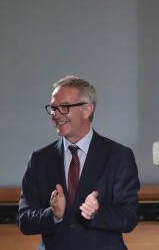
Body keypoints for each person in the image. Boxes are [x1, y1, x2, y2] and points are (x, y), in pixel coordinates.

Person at [17, 76, 140, 250]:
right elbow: (24, 220)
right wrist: (52, 215)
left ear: (87, 110)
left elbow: (129, 217)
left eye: (64, 107)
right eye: (53, 108)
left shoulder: (118, 156)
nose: (56, 115)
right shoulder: (40, 159)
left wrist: (97, 212)